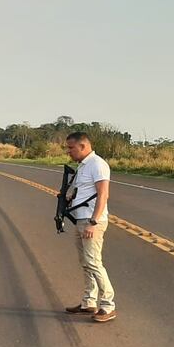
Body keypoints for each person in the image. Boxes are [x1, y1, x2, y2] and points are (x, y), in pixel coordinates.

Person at [63, 132, 116, 323]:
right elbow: (83, 192)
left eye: (71, 147)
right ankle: (89, 302)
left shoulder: (97, 165)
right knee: (85, 262)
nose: (68, 151)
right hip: (81, 219)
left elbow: (103, 195)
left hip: (92, 221)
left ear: (83, 146)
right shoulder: (83, 166)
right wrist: (68, 198)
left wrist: (93, 222)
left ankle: (108, 305)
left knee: (93, 262)